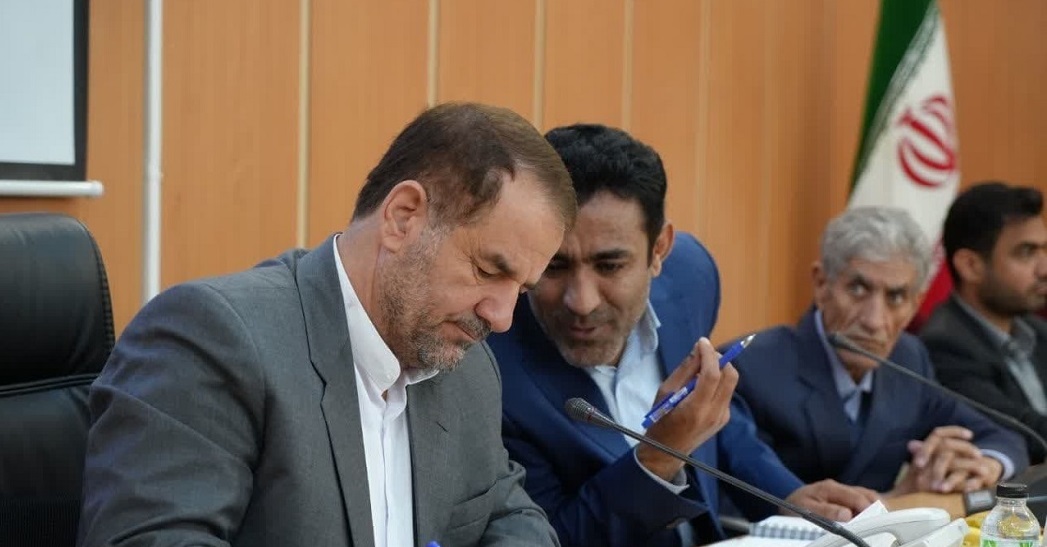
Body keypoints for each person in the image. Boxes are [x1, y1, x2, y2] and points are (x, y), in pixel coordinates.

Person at [77, 103, 577, 547]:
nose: (501, 317)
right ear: (404, 218)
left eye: (521, 290)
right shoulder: (214, 337)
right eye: (488, 270)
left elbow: (513, 518)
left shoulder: (466, 368)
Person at [486, 123, 878, 547]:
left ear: (659, 251)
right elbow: (551, 538)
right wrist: (656, 456)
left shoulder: (691, 277)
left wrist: (786, 497)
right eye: (555, 266)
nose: (581, 301)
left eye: (610, 266)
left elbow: (708, 414)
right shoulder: (492, 369)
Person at [732, 206, 1029, 498]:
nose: (874, 321)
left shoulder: (909, 358)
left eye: (896, 297)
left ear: (914, 304)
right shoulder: (750, 368)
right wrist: (895, 499)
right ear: (822, 285)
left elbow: (1003, 438)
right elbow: (754, 502)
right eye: (858, 289)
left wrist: (983, 464)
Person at [921, 182, 1047, 462]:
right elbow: (1024, 432)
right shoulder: (944, 346)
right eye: (1026, 252)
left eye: (1044, 250)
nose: (1044, 268)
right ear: (970, 266)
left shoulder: (1036, 330)